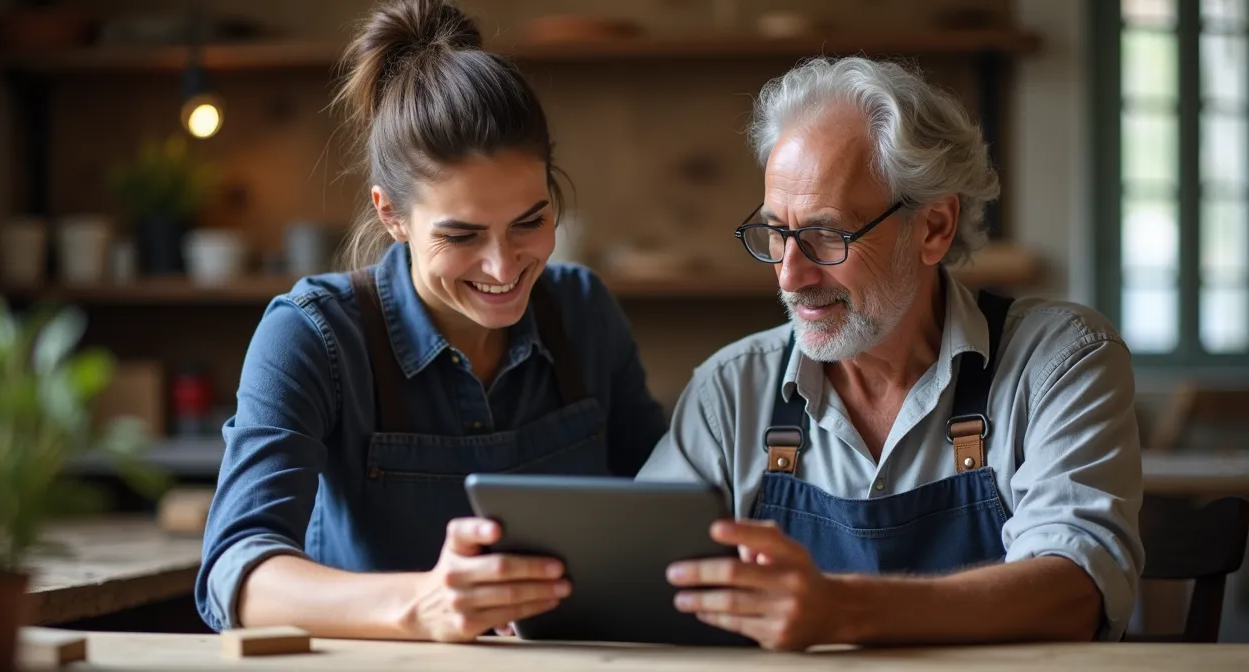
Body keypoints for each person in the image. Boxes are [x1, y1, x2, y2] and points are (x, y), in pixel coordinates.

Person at [195, 0, 667, 641]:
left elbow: (662, 513)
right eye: (462, 235)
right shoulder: (313, 335)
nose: (504, 266)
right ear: (391, 216)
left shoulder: (583, 311)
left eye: (530, 220)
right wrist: (422, 603)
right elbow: (236, 573)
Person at [638, 57, 1144, 650]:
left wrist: (843, 609)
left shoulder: (1060, 363)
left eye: (828, 234)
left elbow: (1075, 592)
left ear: (934, 227)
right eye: (777, 232)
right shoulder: (730, 391)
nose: (791, 275)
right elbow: (635, 576)